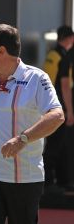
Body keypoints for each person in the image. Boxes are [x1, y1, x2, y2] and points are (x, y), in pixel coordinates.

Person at [0, 24, 65, 224]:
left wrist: (23, 139)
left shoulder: (36, 78)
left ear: (1, 51)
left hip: (25, 178)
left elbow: (57, 115)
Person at [43, 25, 74, 190]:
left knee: (58, 143)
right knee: (55, 144)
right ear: (70, 38)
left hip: (50, 103)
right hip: (59, 105)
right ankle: (48, 181)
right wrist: (69, 110)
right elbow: (63, 84)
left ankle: (58, 179)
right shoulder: (63, 56)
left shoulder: (52, 54)